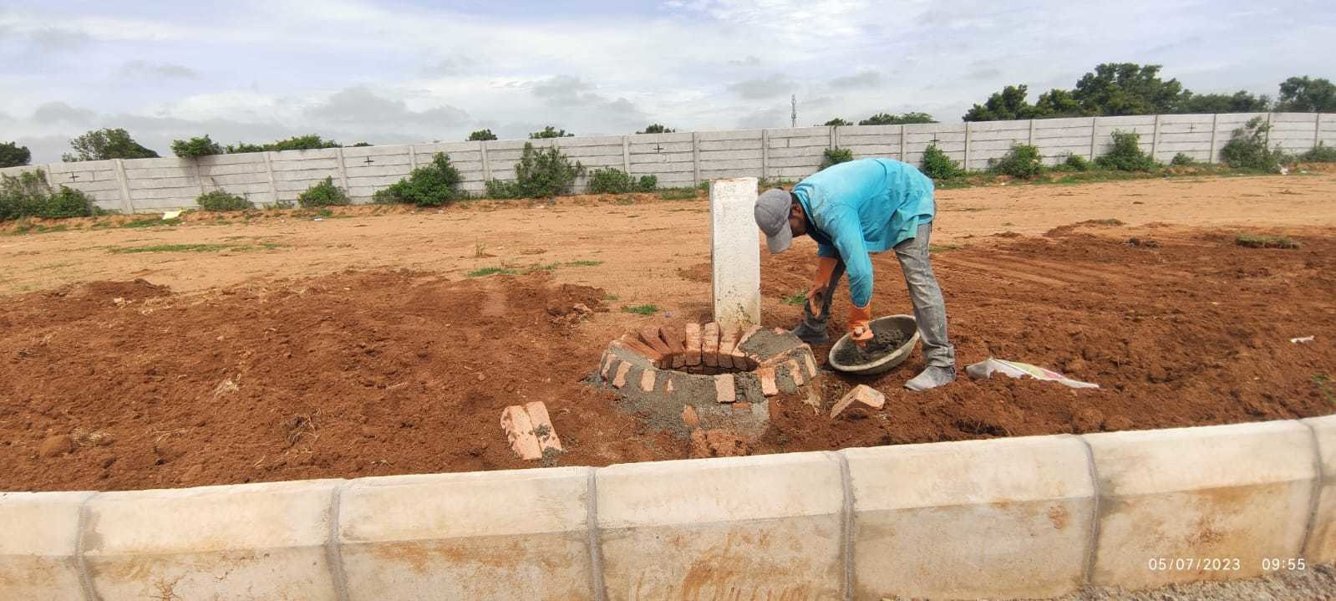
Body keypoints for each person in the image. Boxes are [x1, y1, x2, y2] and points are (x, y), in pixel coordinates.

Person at [753, 157, 956, 391]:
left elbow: (861, 271)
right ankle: (814, 328)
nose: (793, 236)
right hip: (868, 198)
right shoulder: (804, 199)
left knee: (917, 274)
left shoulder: (830, 207)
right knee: (825, 276)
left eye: (789, 230)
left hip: (906, 193)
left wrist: (859, 320)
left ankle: (941, 363)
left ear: (795, 210)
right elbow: (828, 238)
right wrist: (822, 280)